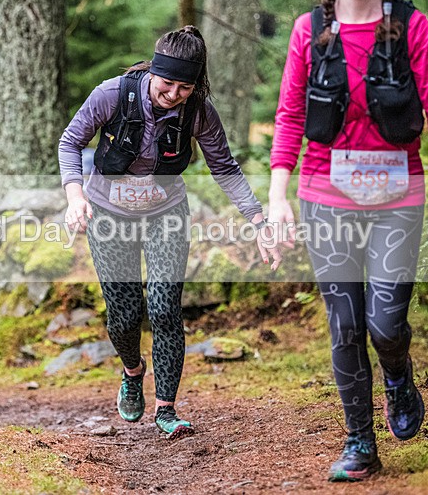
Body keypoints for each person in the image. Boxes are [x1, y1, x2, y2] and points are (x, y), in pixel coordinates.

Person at [268, 0, 428, 481]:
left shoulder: (410, 26)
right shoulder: (308, 32)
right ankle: (360, 441)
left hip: (396, 198)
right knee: (345, 325)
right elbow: (291, 116)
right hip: (324, 195)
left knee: (384, 324)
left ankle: (398, 374)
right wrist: (278, 196)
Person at [59, 26, 279, 440]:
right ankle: (132, 371)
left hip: (166, 214)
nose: (174, 94)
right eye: (167, 83)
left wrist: (259, 222)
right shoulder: (112, 94)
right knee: (124, 317)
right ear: (152, 72)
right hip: (108, 212)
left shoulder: (199, 112)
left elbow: (225, 168)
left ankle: (166, 408)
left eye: (185, 86)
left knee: (163, 306)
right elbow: (70, 142)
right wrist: (75, 196)